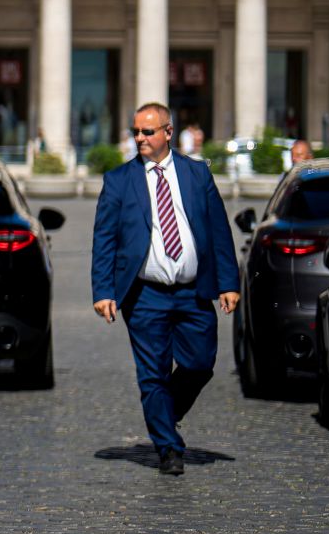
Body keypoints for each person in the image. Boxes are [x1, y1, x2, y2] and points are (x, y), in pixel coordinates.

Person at [91, 101, 238, 477]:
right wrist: (103, 290)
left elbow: (218, 230)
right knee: (152, 373)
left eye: (148, 131)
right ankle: (168, 448)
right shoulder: (119, 180)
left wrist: (228, 283)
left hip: (193, 290)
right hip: (145, 295)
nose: (140, 138)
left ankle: (163, 415)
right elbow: (104, 239)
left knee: (200, 363)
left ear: (168, 132)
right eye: (136, 131)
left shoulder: (197, 174)